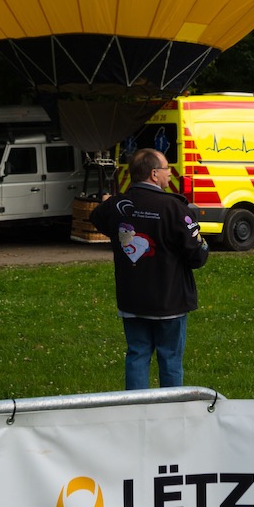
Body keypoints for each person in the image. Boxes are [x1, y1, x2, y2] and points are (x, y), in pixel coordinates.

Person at [92, 147, 208, 390]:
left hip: (132, 299)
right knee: (170, 359)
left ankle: (136, 408)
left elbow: (98, 218)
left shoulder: (117, 205)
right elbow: (198, 256)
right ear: (154, 174)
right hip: (169, 301)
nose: (170, 173)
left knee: (137, 354)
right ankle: (170, 408)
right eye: (166, 168)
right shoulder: (174, 208)